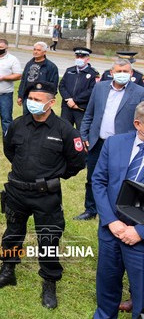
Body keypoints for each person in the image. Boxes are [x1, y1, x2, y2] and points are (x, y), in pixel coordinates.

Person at [0, 81, 85, 310]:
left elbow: (77, 162)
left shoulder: (65, 131)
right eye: (31, 98)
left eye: (38, 100)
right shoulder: (18, 125)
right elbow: (9, 150)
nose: (32, 103)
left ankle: (49, 282)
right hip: (17, 191)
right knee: (12, 233)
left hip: (46, 196)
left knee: (48, 239)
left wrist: (53, 178)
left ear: (51, 103)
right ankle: (7, 271)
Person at [92, 101, 144, 319]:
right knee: (107, 284)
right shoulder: (114, 143)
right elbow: (99, 181)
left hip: (140, 238)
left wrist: (140, 232)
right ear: (138, 124)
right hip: (111, 230)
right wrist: (111, 221)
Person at [76, 59, 144, 221]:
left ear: (131, 73)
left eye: (125, 71)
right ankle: (90, 209)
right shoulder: (99, 88)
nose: (122, 74)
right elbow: (89, 114)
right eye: (118, 71)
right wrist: (84, 135)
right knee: (93, 178)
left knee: (119, 179)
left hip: (123, 145)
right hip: (98, 142)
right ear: (111, 73)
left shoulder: (139, 92)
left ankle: (120, 210)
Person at [58, 47, 98, 129]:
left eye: (82, 57)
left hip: (81, 108)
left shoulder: (93, 73)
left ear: (87, 59)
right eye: (77, 57)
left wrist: (75, 100)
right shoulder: (69, 70)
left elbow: (91, 90)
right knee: (64, 130)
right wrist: (68, 99)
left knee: (81, 132)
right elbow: (62, 86)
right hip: (67, 106)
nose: (79, 59)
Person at [17, 42, 60, 114]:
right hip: (28, 98)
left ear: (44, 52)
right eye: (34, 49)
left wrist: (48, 98)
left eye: (38, 50)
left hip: (41, 100)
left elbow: (53, 85)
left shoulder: (51, 67)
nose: (35, 52)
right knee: (26, 120)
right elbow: (23, 80)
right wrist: (20, 96)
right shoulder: (29, 64)